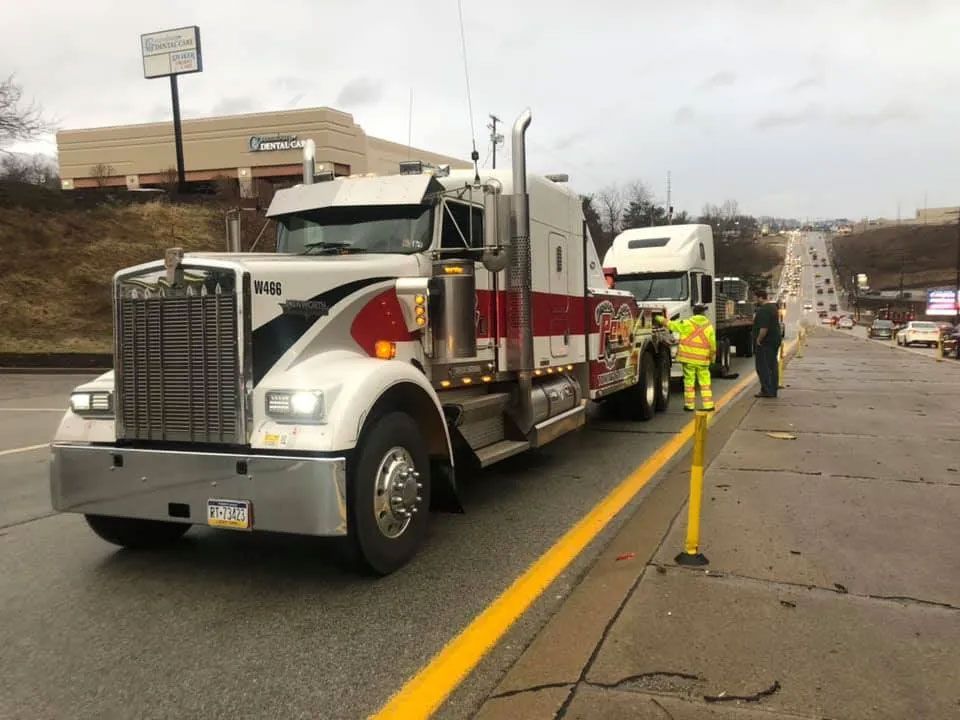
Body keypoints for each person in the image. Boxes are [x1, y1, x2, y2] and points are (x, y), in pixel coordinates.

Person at [656, 304, 717, 411]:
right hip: (703, 360)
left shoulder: (686, 323)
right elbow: (712, 345)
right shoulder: (709, 326)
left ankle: (689, 405)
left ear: (694, 313)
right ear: (703, 313)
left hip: (688, 359)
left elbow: (671, 325)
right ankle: (708, 405)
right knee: (705, 383)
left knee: (689, 383)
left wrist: (658, 318)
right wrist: (712, 357)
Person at [752, 289, 782, 397]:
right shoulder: (773, 307)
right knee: (772, 365)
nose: (754, 300)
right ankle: (772, 389)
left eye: (755, 297)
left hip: (766, 342)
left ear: (760, 297)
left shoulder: (763, 310)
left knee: (763, 367)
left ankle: (767, 390)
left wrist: (758, 339)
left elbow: (763, 328)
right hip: (774, 340)